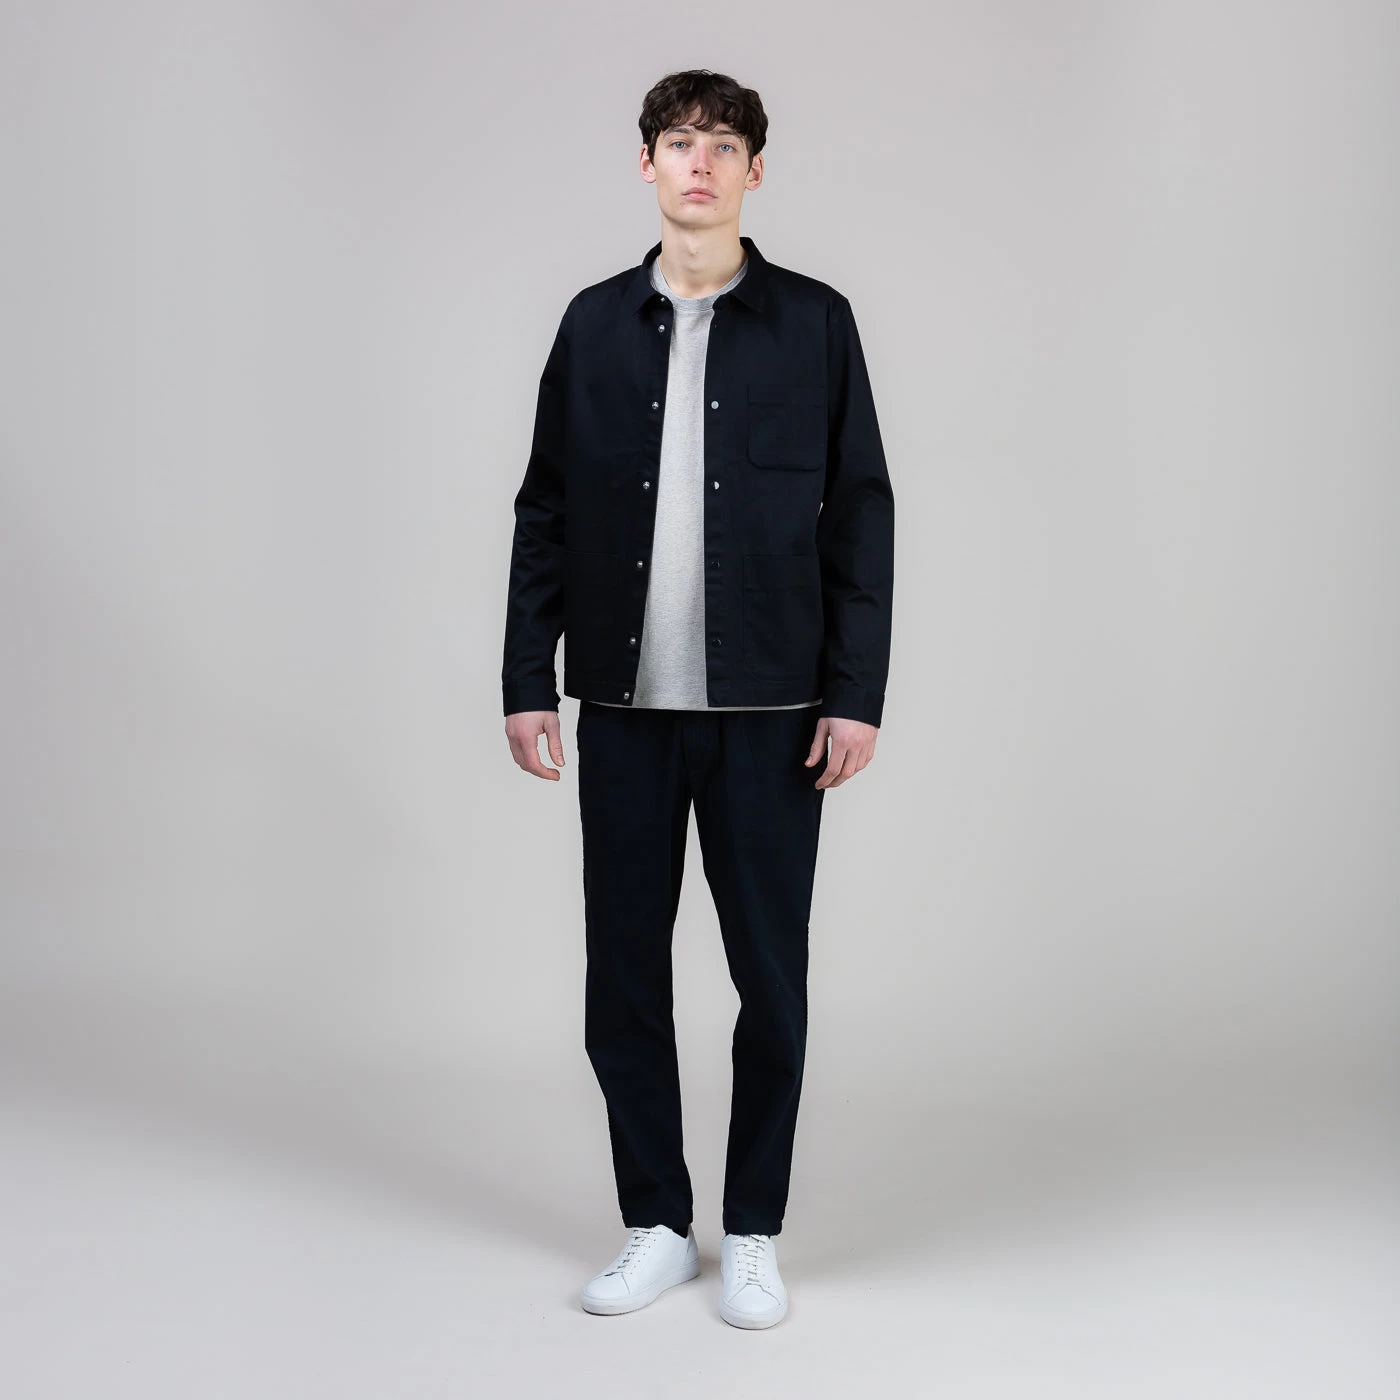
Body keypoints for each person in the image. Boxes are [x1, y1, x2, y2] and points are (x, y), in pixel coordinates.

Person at [501, 68, 894, 1329]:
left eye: (724, 146)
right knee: (621, 973)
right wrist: (527, 677)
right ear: (647, 164)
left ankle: (754, 1228)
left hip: (773, 715)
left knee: (768, 979)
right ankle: (658, 1224)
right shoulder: (591, 324)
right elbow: (545, 508)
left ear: (754, 172)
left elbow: (860, 516)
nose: (700, 164)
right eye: (679, 142)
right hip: (623, 710)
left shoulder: (815, 324)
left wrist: (854, 693)